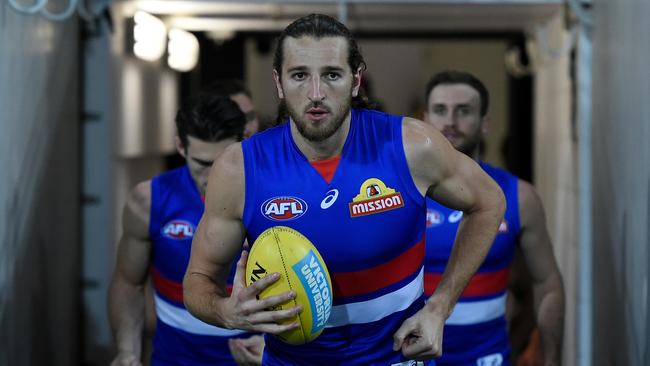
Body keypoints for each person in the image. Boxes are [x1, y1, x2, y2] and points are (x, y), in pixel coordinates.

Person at [183, 14, 505, 365]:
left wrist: (440, 308)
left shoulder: (412, 146)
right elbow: (199, 280)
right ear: (278, 83)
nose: (316, 93)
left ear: (356, 80)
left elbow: (489, 201)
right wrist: (227, 312)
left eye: (332, 75)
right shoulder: (240, 169)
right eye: (299, 75)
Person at [108, 92, 263, 366]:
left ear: (243, 145)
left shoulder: (273, 201)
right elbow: (128, 282)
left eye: (222, 161)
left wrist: (278, 342)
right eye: (202, 164)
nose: (212, 175)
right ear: (181, 147)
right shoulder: (148, 202)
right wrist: (127, 351)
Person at [422, 70, 565, 366]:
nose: (450, 121)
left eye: (463, 111)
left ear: (485, 122)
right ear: (425, 120)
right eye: (440, 110)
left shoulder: (519, 197)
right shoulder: (399, 196)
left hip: (488, 357)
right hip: (411, 357)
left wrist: (551, 359)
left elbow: (547, 281)